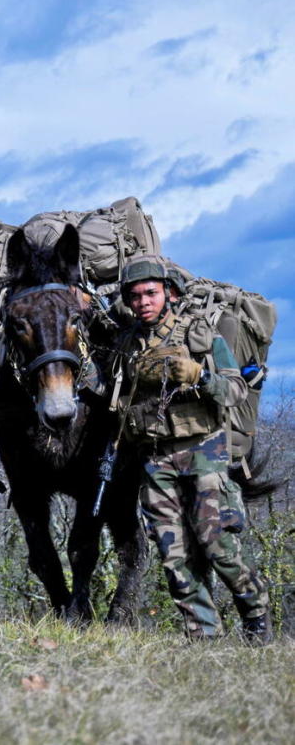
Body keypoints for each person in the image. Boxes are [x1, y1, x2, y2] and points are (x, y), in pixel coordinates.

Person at [113, 256, 270, 643]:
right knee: (174, 554)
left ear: (168, 293)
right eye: (134, 296)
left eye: (150, 293)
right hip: (155, 458)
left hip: (204, 451)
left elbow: (235, 390)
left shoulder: (199, 334)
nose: (142, 302)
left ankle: (256, 612)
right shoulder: (127, 343)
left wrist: (200, 376)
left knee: (218, 545)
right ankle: (203, 635)